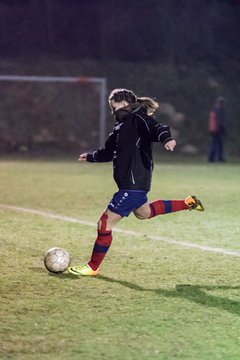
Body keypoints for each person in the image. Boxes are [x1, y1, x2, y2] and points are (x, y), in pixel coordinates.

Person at [68, 88, 204, 276]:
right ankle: (189, 203)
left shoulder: (139, 119)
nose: (114, 112)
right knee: (143, 213)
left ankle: (92, 267)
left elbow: (158, 128)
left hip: (133, 184)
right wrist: (91, 157)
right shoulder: (119, 128)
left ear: (125, 104)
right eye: (112, 109)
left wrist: (167, 139)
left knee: (104, 224)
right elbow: (108, 152)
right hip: (132, 184)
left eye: (115, 107)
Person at [208, 97, 226, 162]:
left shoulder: (214, 110)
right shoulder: (219, 110)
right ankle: (218, 158)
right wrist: (222, 129)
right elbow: (219, 121)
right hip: (217, 130)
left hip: (212, 129)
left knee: (215, 143)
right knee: (217, 144)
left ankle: (212, 158)